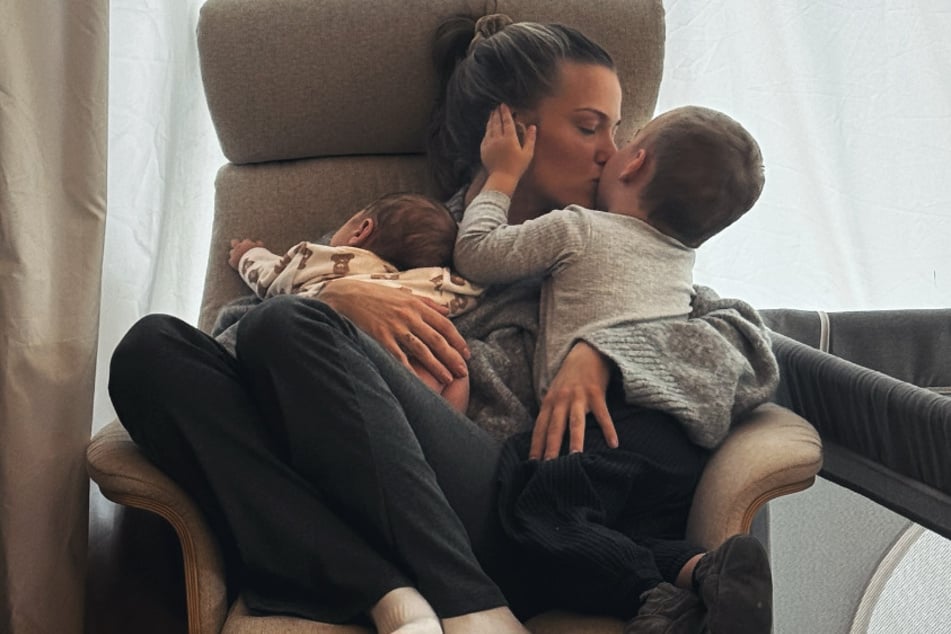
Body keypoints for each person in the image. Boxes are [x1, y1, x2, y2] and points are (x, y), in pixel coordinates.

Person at [108, 12, 779, 634]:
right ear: (510, 130)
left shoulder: (618, 258)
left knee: (285, 327)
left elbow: (745, 348)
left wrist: (604, 350)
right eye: (589, 126)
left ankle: (470, 603)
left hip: (501, 509)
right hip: (325, 484)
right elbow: (234, 350)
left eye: (617, 127)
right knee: (150, 349)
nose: (615, 150)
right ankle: (386, 593)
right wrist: (339, 302)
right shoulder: (406, 234)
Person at [453, 103, 772, 632]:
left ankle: (652, 599)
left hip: (609, 422)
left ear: (633, 163)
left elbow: (478, 254)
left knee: (541, 512)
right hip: (678, 441)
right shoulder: (679, 264)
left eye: (624, 137)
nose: (609, 147)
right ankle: (707, 573)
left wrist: (502, 175)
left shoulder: (580, 228)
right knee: (626, 532)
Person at [228, 191, 481, 412]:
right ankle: (440, 429)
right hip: (409, 375)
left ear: (361, 230)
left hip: (333, 364)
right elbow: (474, 287)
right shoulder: (434, 281)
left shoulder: (325, 259)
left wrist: (247, 254)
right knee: (454, 369)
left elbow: (269, 276)